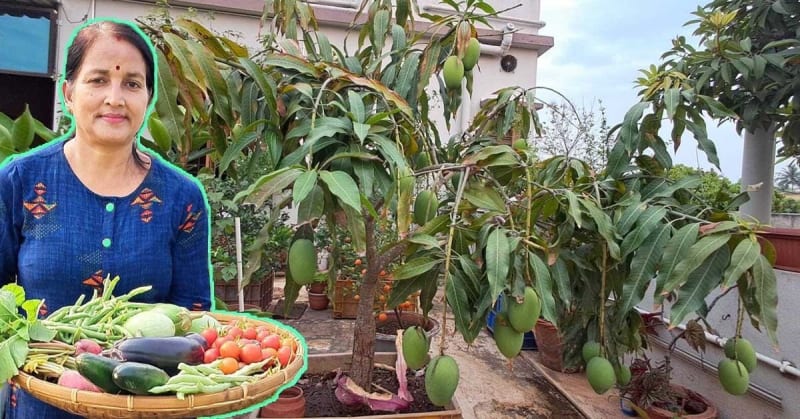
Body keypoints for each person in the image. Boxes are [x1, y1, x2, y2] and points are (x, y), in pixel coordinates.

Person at [0, 18, 212, 418]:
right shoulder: (19, 182)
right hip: (41, 404)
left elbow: (193, 318)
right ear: (69, 93)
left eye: (132, 83)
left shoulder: (181, 198)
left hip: (146, 406)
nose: (115, 98)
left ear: (148, 97)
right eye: (98, 80)